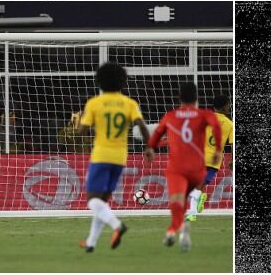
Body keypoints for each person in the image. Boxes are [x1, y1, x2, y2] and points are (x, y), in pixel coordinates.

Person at [72, 62, 153, 252]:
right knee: (102, 202)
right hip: (120, 157)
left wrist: (79, 122)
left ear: (99, 81)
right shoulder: (129, 103)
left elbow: (80, 132)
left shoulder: (94, 103)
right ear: (122, 82)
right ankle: (91, 242)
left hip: (101, 155)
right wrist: (150, 147)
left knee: (92, 200)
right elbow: (142, 126)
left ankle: (117, 225)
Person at [145, 82, 223, 252]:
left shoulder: (170, 116)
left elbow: (157, 133)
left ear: (179, 98)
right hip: (197, 168)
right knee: (194, 194)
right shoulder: (204, 114)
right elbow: (216, 126)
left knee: (176, 202)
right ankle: (177, 230)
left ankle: (175, 229)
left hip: (177, 168)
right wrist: (218, 149)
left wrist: (150, 148)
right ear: (197, 98)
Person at [186, 94, 233, 221]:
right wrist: (232, 160)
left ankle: (192, 212)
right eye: (228, 104)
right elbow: (233, 145)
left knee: (196, 185)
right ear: (224, 107)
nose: (229, 106)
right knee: (198, 185)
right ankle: (193, 210)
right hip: (214, 160)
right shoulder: (229, 124)